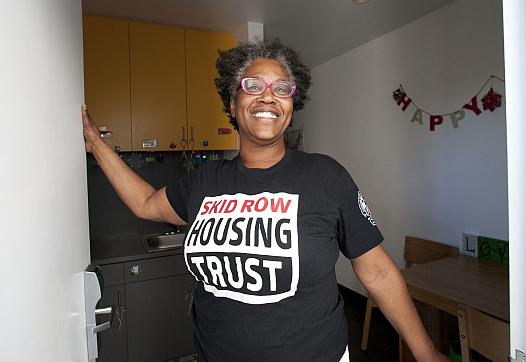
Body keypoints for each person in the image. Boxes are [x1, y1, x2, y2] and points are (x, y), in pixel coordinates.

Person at [82, 39, 448, 362]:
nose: (267, 96)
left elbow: (379, 272)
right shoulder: (204, 182)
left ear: (292, 103)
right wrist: (97, 144)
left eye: (281, 88)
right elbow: (146, 202)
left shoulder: (326, 177)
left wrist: (427, 354)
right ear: (233, 101)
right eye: (253, 85)